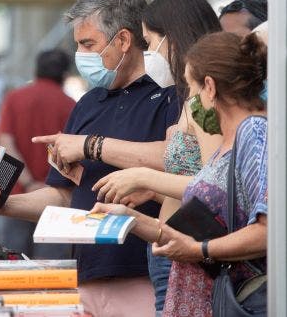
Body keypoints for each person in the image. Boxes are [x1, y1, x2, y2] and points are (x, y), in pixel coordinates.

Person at [0, 0, 180, 316]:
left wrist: (89, 146)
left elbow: (175, 160)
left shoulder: (170, 96)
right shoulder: (86, 104)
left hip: (147, 275)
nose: (80, 56)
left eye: (88, 45)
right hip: (86, 276)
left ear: (124, 41)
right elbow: (65, 196)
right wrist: (7, 204)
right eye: (78, 46)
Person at [91, 31, 267, 316]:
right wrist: (130, 220)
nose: (191, 100)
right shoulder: (228, 142)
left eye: (192, 87)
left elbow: (266, 232)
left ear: (209, 86)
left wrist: (201, 250)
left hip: (237, 300)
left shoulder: (254, 132)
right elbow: (201, 228)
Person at [78, 0, 223, 314]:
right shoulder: (189, 98)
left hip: (186, 251)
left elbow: (214, 187)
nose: (147, 52)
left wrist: (145, 177)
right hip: (168, 247)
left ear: (172, 37)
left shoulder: (205, 100)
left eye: (149, 41)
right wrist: (149, 190)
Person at [0, 48, 75, 258]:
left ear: (36, 70)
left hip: (16, 195)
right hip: (56, 198)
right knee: (51, 270)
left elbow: (5, 141)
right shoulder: (71, 105)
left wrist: (27, 182)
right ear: (65, 74)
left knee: (15, 263)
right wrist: (42, 185)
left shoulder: (15, 98)